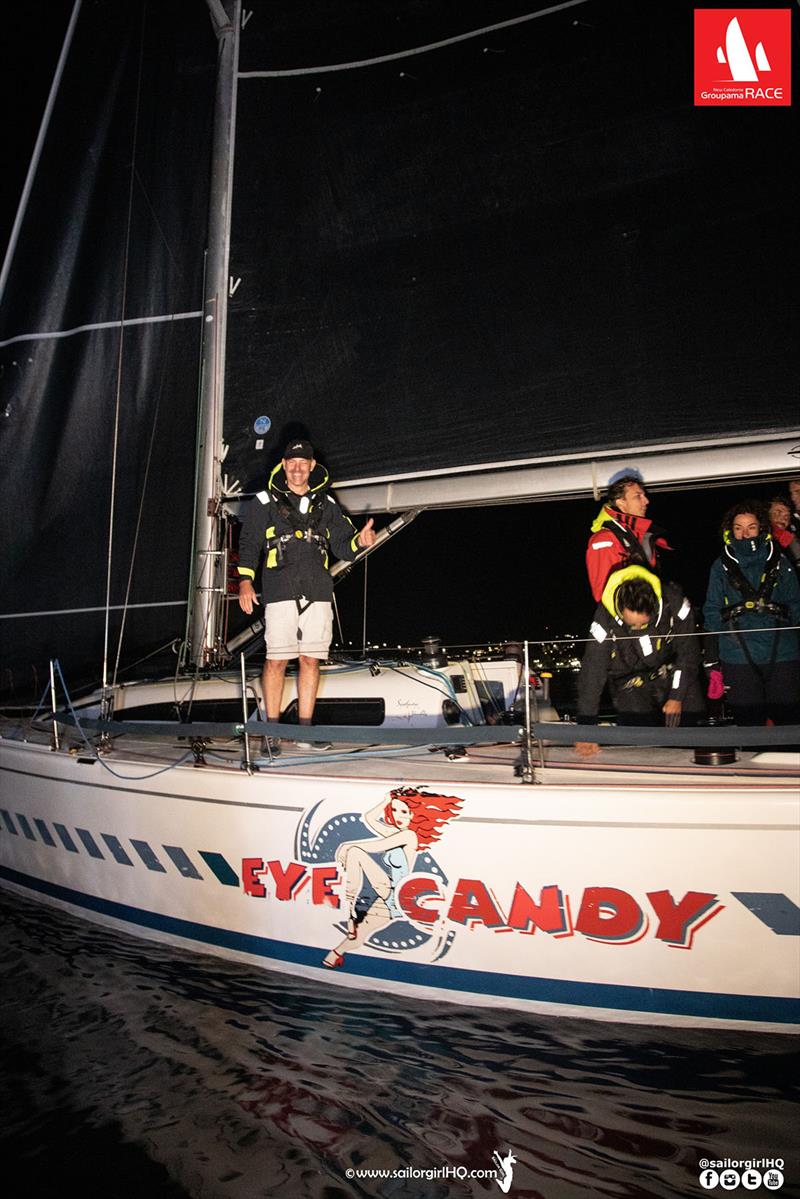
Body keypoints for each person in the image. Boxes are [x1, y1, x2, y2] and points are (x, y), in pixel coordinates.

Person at [237, 439, 376, 753]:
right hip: (279, 589)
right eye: (292, 462)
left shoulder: (326, 503)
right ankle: (271, 731)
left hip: (317, 590)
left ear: (312, 466)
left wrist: (360, 542)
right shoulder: (263, 500)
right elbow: (248, 543)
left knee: (310, 660)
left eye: (304, 462)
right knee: (276, 661)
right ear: (284, 465)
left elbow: (343, 545)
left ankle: (305, 729)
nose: (298, 468)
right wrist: (245, 581)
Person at [323, 787, 463, 969]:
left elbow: (376, 846)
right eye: (395, 810)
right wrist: (386, 801)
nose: (399, 815)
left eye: (404, 812)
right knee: (360, 934)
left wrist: (345, 848)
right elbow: (368, 818)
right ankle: (333, 955)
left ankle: (351, 913)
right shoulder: (397, 833)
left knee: (355, 852)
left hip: (397, 892)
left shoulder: (409, 835)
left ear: (414, 815)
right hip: (388, 889)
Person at [575, 566, 704, 757]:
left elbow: (688, 653)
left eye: (643, 624)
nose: (637, 628)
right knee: (637, 733)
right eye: (631, 624)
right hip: (629, 678)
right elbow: (593, 670)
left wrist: (676, 696)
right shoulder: (604, 616)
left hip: (671, 671)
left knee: (692, 711)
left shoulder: (674, 603)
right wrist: (586, 728)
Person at [703, 502, 800, 726]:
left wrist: (781, 613)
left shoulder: (781, 562)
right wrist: (711, 661)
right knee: (749, 727)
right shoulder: (720, 567)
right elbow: (711, 612)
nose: (745, 534)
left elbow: (796, 605)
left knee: (789, 726)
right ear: (730, 531)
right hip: (738, 657)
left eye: (751, 527)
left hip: (782, 654)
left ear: (761, 529)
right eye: (738, 528)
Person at [585, 475, 671, 601]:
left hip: (650, 613)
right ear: (621, 502)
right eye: (638, 496)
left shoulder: (642, 535)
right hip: (631, 617)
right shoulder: (605, 540)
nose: (646, 501)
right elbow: (604, 594)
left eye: (644, 496)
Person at [767, 496, 800, 570]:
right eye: (777, 513)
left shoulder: (789, 540)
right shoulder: (759, 537)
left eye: (787, 517)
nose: (783, 519)